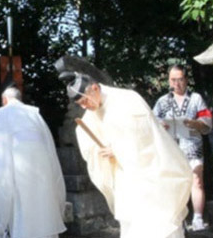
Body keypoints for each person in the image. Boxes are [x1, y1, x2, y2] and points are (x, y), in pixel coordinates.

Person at [55, 55, 192, 238]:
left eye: (86, 101)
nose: (86, 107)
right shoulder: (92, 111)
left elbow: (144, 137)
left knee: (156, 226)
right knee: (131, 225)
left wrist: (117, 149)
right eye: (81, 105)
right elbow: (90, 142)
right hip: (124, 179)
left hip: (149, 176)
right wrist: (99, 150)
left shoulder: (127, 100)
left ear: (95, 88)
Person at [0, 86, 66, 238]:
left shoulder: (2, 115)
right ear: (19, 99)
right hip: (43, 170)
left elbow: (0, 158)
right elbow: (50, 148)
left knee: (21, 213)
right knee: (43, 208)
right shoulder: (35, 115)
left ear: (4, 100)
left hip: (18, 170)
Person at [153, 64, 213, 232]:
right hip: (171, 146)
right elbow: (152, 121)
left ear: (186, 80)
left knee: (196, 180)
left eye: (180, 79)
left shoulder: (196, 99)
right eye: (173, 80)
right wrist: (161, 125)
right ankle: (178, 218)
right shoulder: (162, 101)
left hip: (192, 143)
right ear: (168, 81)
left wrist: (195, 123)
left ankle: (198, 217)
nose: (177, 83)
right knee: (173, 183)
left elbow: (207, 123)